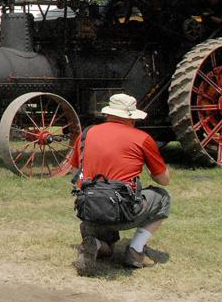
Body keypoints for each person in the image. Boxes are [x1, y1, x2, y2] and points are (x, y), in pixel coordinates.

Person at [71, 93, 171, 275]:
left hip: (89, 210)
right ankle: (136, 250)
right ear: (131, 118)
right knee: (163, 197)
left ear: (108, 114)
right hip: (122, 210)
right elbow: (163, 179)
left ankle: (96, 244)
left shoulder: (86, 134)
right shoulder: (142, 138)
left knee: (108, 249)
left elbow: (75, 170)